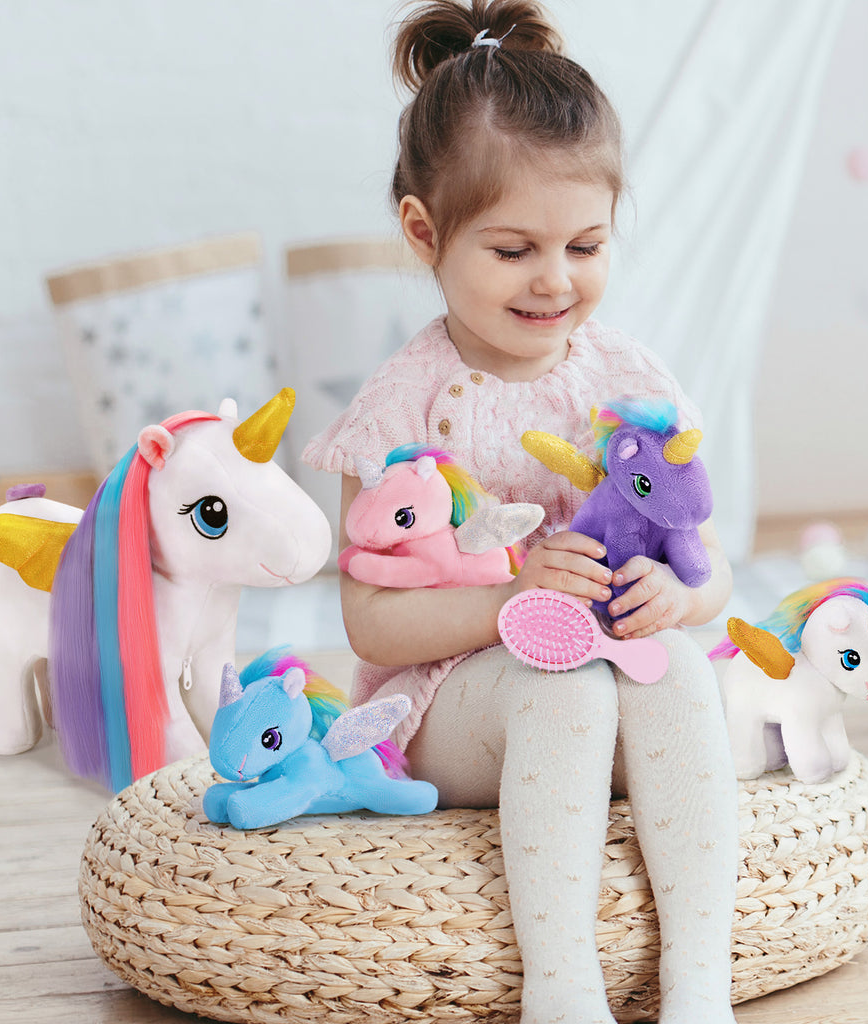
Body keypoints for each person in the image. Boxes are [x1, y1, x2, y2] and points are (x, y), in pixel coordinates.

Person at [303, 2, 739, 1022]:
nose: (555, 280)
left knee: (677, 672)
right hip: (455, 701)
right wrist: (509, 592)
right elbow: (370, 623)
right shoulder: (398, 407)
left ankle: (701, 984)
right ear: (425, 232)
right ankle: (563, 987)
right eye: (513, 250)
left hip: (613, 666)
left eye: (586, 244)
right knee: (565, 690)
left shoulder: (628, 377)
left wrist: (678, 595)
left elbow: (709, 565)